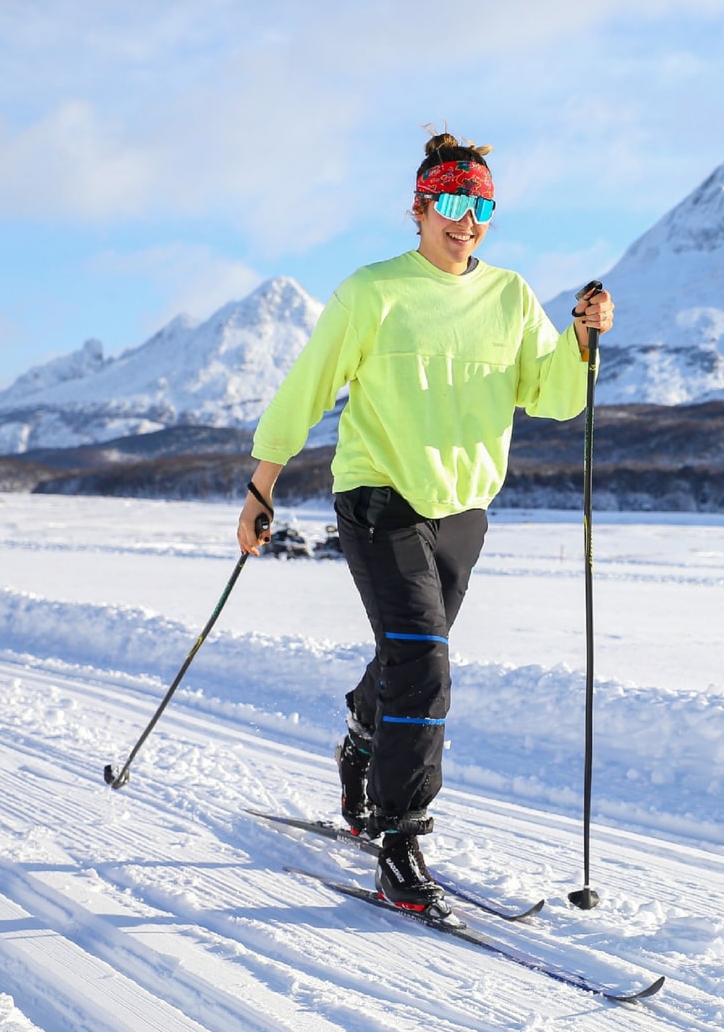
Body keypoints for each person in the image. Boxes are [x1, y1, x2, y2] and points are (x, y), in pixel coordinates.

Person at [235, 129, 614, 917]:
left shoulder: (509, 296)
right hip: (379, 497)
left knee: (409, 656)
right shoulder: (372, 291)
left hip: (463, 510)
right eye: (449, 200)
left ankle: (361, 738)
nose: (465, 217)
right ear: (418, 208)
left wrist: (580, 339)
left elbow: (548, 393)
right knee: (426, 667)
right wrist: (261, 485)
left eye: (480, 204)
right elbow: (307, 389)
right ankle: (398, 837)